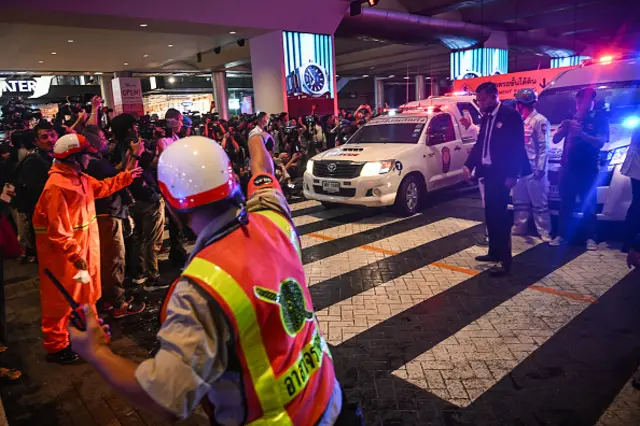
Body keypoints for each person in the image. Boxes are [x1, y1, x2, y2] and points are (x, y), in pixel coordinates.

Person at [68, 134, 346, 425]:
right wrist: (255, 138)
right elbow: (263, 169)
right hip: (331, 402)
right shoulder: (274, 218)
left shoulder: (200, 290)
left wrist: (96, 351)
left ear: (173, 206)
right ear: (232, 181)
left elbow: (164, 399)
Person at [32, 133, 141, 364]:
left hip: (82, 249)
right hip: (63, 256)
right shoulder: (56, 187)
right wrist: (75, 254)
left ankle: (87, 330)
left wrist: (126, 177)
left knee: (86, 291)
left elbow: (101, 188)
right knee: (60, 298)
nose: (89, 161)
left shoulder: (77, 178)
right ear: (73, 159)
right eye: (86, 157)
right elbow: (57, 230)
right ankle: (56, 346)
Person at [464, 82, 530, 276]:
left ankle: (505, 259)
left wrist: (513, 174)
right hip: (488, 172)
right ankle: (494, 252)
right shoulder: (486, 118)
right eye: (478, 100)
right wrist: (469, 164)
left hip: (503, 174)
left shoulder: (510, 116)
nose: (480, 103)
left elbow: (517, 147)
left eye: (483, 100)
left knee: (501, 217)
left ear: (494, 96)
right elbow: (480, 144)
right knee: (491, 214)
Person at [84, 125, 147, 318]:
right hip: (107, 216)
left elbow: (117, 175)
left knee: (106, 261)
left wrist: (129, 157)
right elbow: (123, 179)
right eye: (102, 138)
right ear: (93, 143)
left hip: (105, 214)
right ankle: (118, 303)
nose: (106, 141)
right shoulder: (94, 164)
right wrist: (137, 155)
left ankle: (105, 300)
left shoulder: (93, 163)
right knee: (114, 260)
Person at [550, 87, 608, 250]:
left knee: (588, 204)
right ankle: (562, 235)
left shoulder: (599, 119)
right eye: (579, 101)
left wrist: (581, 133)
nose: (582, 104)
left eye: (586, 101)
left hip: (588, 168)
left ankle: (591, 237)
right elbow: (555, 139)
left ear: (592, 102)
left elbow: (600, 142)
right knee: (565, 203)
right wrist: (563, 128)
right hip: (567, 167)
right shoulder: (570, 118)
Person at [10, 121, 57, 263]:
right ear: (36, 141)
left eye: (52, 135)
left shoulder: (54, 157)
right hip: (44, 219)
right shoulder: (33, 162)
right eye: (44, 137)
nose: (50, 139)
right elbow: (37, 193)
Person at [512, 88, 552, 241]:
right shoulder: (519, 120)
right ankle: (519, 226)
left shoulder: (540, 120)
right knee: (519, 200)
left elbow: (544, 146)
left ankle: (544, 231)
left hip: (534, 167)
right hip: (520, 166)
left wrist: (541, 168)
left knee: (539, 203)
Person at [621, 126, 640, 253]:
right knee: (637, 204)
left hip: (636, 166)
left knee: (637, 203)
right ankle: (631, 242)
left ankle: (630, 242)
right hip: (637, 166)